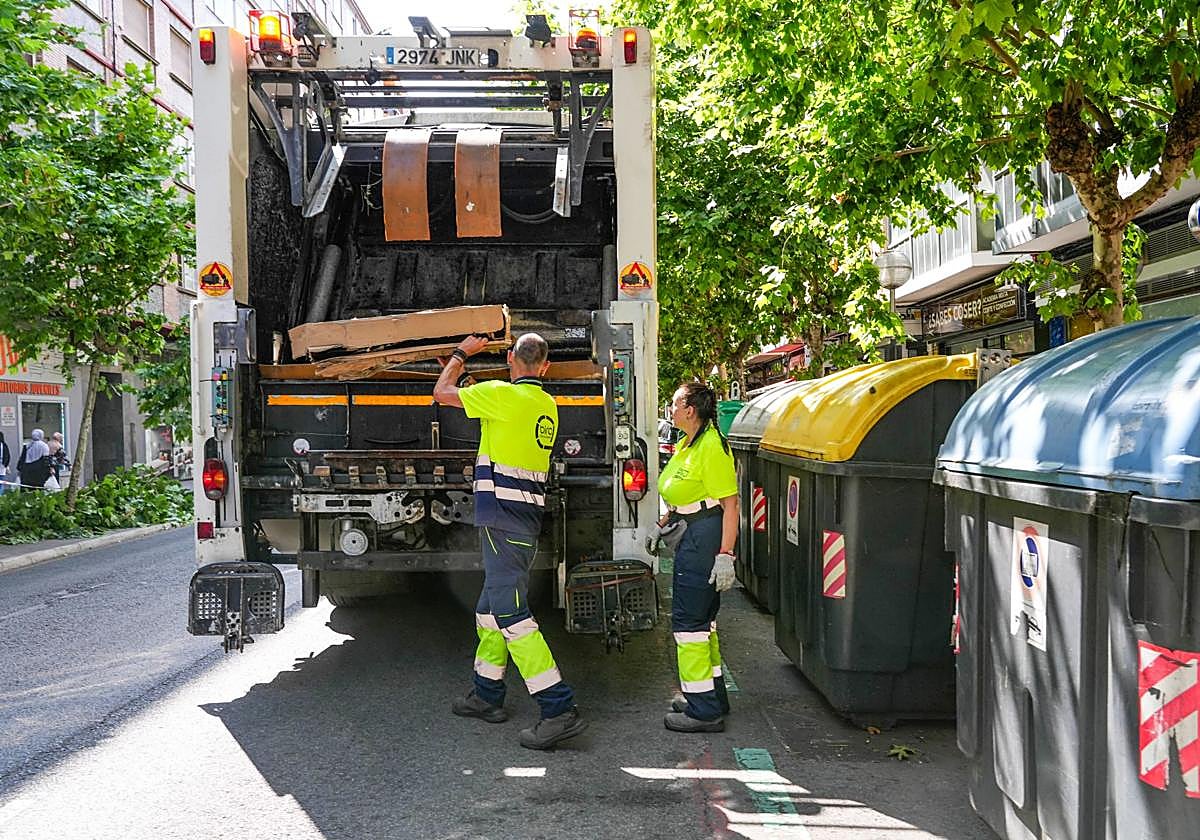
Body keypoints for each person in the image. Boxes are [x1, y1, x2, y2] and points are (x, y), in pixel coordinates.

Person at [433, 332, 588, 750]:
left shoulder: (502, 395)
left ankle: (558, 708)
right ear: (546, 367)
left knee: (511, 615)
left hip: (502, 519)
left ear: (509, 359)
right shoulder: (545, 404)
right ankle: (487, 694)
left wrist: (462, 353)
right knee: (488, 610)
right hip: (522, 520)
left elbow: (442, 392)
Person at [647, 382, 739, 733]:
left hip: (705, 538)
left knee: (689, 624)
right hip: (691, 531)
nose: (670, 409)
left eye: (674, 403)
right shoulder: (691, 441)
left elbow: (730, 505)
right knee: (704, 621)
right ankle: (710, 696)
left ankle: (703, 711)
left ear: (690, 409)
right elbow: (687, 493)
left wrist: (725, 554)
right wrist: (663, 523)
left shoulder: (712, 447)